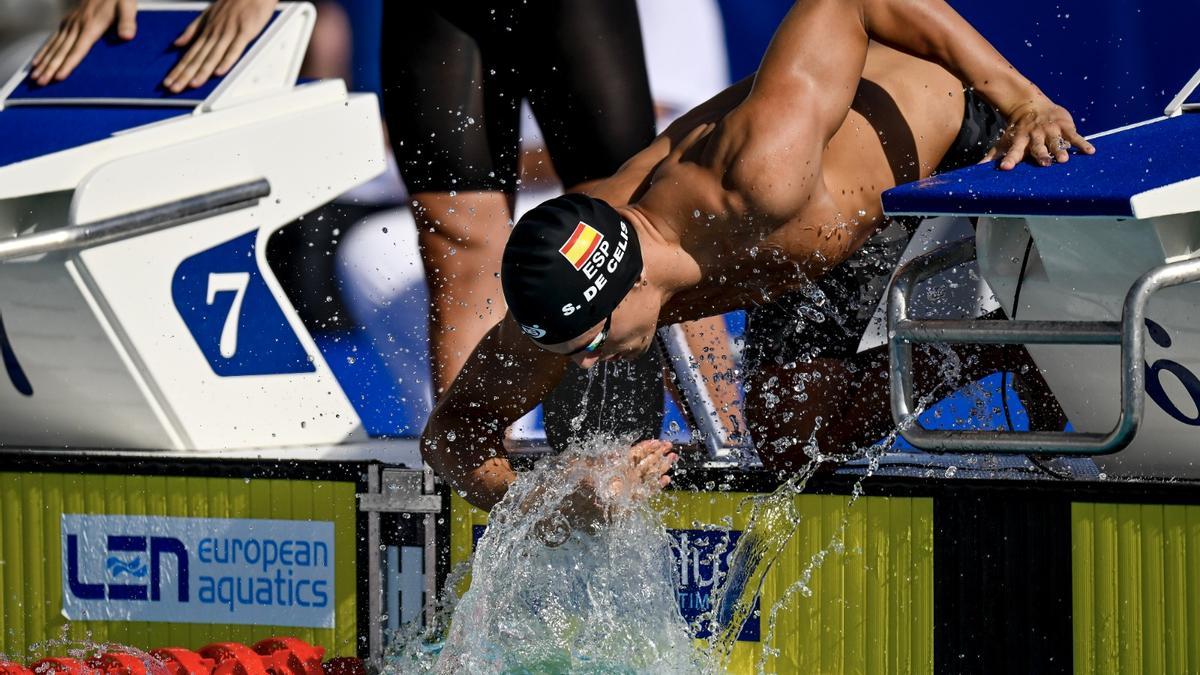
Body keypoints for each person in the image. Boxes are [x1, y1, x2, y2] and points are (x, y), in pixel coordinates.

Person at [422, 0, 1094, 513]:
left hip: (944, 138)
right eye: (572, 348)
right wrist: (560, 502)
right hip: (814, 237)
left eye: (590, 342)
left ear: (628, 285)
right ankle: (1000, 346)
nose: (585, 362)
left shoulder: (757, 171)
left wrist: (1023, 100)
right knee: (789, 446)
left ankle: (1035, 328)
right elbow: (450, 436)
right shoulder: (570, 294)